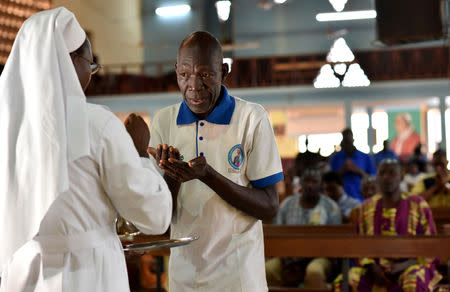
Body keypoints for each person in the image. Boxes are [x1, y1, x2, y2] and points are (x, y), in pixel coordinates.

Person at [0, 8, 172, 291]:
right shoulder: (98, 124)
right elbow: (153, 216)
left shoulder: (5, 127)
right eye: (91, 65)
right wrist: (139, 153)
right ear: (71, 61)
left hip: (24, 274)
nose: (91, 75)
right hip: (88, 273)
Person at [148, 31, 283, 291]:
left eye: (205, 75)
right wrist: (172, 177)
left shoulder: (251, 118)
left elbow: (269, 206)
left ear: (224, 71)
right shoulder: (164, 121)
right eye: (184, 74)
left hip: (239, 277)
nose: (194, 85)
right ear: (176, 70)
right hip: (184, 278)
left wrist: (209, 176)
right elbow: (160, 223)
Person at [333, 159, 442, 292]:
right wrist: (373, 268)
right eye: (382, 173)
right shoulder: (367, 207)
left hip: (412, 266)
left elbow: (430, 247)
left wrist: (403, 265)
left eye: (392, 173)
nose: (386, 177)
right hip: (375, 271)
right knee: (346, 280)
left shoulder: (418, 204)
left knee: (413, 282)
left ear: (401, 176)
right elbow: (360, 246)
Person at [267, 168, 341, 289]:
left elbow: (336, 243)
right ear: (300, 182)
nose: (310, 185)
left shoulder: (331, 207)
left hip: (321, 257)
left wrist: (303, 260)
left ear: (321, 184)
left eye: (315, 181)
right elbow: (277, 234)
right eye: (306, 181)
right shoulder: (287, 204)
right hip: (288, 257)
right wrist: (287, 258)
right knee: (267, 270)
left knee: (314, 272)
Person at [330, 128, 376, 201]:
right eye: (345, 141)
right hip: (341, 200)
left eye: (349, 141)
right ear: (342, 142)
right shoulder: (335, 157)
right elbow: (330, 180)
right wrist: (342, 170)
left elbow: (373, 178)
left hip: (361, 198)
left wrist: (357, 170)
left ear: (353, 140)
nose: (347, 144)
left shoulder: (365, 157)